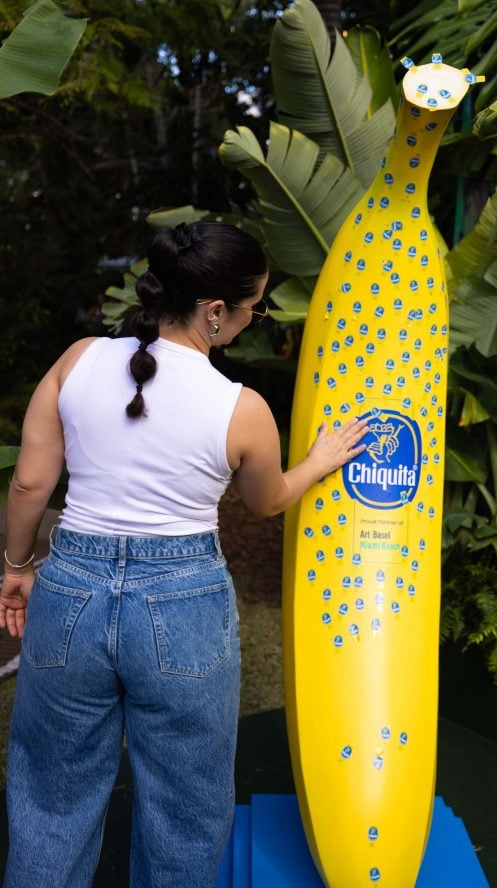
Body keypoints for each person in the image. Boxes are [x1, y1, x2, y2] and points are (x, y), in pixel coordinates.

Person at [0, 220, 367, 888]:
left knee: (52, 793)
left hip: (70, 589)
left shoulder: (77, 360)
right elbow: (268, 500)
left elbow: (29, 484)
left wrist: (17, 568)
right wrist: (317, 461)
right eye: (254, 306)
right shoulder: (242, 408)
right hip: (183, 604)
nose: (255, 318)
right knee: (185, 806)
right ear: (216, 309)